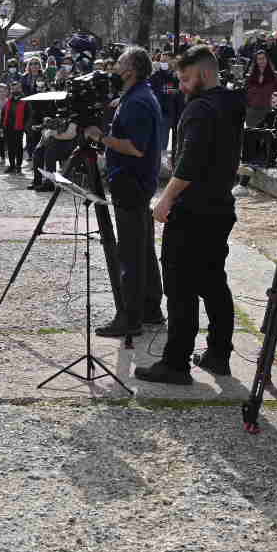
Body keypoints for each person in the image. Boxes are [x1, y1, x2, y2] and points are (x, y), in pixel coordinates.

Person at [136, 47, 244, 385]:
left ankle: (176, 362)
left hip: (193, 211)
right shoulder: (231, 103)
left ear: (204, 73)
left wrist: (164, 200)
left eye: (185, 78)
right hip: (219, 207)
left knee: (181, 288)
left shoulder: (199, 109)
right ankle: (218, 353)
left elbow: (189, 164)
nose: (181, 86)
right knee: (213, 282)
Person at [95, 48, 168, 340]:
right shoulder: (136, 96)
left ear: (133, 69)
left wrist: (100, 137)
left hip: (131, 183)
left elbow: (135, 147)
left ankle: (130, 317)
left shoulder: (138, 100)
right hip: (134, 183)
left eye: (121, 63)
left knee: (130, 253)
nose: (116, 67)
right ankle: (150, 309)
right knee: (142, 249)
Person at [0, 83, 28, 174]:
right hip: (8, 128)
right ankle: (12, 165)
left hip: (19, 128)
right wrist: (2, 127)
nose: (15, 91)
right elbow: (3, 115)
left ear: (20, 89)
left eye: (17, 88)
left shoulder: (25, 101)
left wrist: (25, 127)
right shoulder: (9, 101)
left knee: (18, 148)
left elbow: (28, 115)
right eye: (13, 89)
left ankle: (18, 166)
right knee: (10, 148)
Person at [243, 49, 277, 128]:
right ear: (256, 61)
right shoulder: (250, 76)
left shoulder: (274, 75)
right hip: (252, 111)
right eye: (259, 59)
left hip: (268, 111)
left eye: (263, 58)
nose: (261, 61)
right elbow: (245, 92)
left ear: (267, 59)